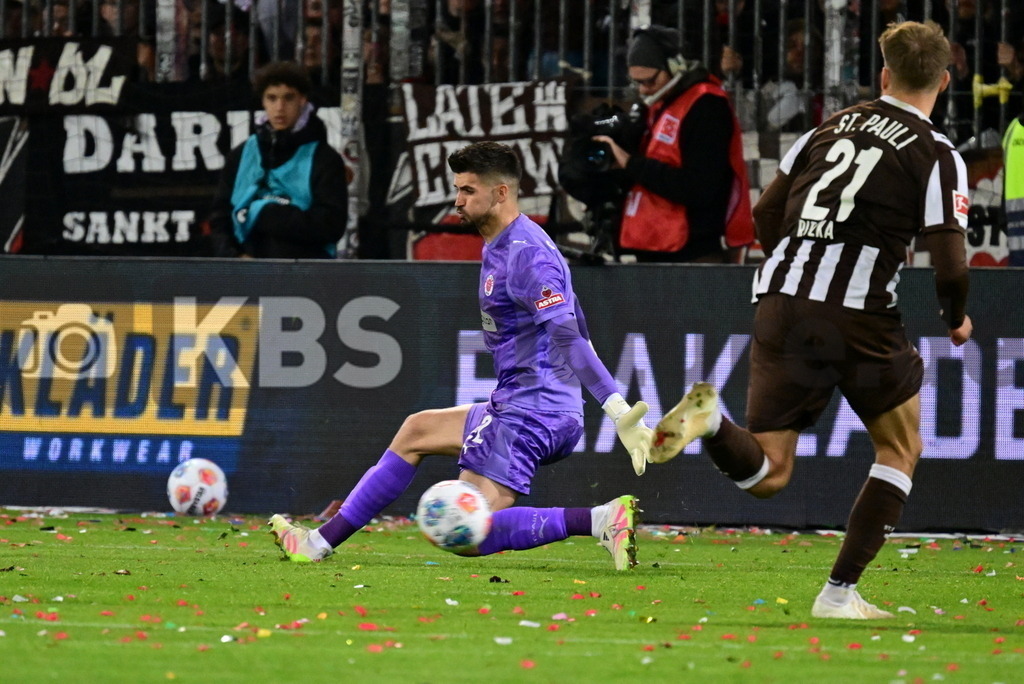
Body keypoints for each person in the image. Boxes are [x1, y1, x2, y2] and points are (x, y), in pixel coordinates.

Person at [649, 21, 973, 619]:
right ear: (945, 81)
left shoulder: (831, 127)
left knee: (769, 472)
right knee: (900, 449)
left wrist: (797, 267)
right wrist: (956, 318)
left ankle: (711, 425)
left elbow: (767, 212)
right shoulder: (936, 152)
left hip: (779, 295)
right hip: (856, 308)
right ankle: (838, 594)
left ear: (884, 76)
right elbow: (950, 262)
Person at [269, 141, 654, 569]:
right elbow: (575, 321)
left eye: (468, 190)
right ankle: (319, 542)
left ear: (501, 193)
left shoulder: (528, 256)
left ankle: (601, 519)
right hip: (521, 403)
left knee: (468, 530)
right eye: (458, 189)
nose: (458, 201)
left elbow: (570, 337)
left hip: (533, 411)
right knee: (417, 431)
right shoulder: (505, 244)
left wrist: (616, 408)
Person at [592, 25, 754, 263]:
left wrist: (631, 164)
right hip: (653, 245)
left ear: (676, 67)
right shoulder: (659, 104)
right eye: (637, 82)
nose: (643, 90)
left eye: (649, 81)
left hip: (692, 252)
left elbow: (700, 187)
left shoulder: (707, 105)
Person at [208, 61, 348, 258]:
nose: (279, 107)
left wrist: (263, 212)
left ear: (302, 100)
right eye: (271, 98)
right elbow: (219, 217)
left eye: (288, 98)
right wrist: (234, 257)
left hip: (306, 274)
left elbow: (331, 225)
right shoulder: (240, 155)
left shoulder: (324, 159)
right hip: (246, 276)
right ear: (263, 102)